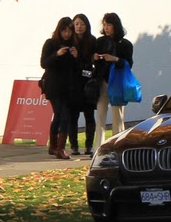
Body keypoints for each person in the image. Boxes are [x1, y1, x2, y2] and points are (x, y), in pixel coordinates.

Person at [90, 12, 134, 151]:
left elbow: (128, 63)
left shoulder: (125, 44)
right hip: (102, 80)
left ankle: (118, 145)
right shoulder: (100, 41)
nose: (106, 27)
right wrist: (95, 58)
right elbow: (93, 60)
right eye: (104, 24)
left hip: (117, 81)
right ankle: (99, 147)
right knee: (100, 115)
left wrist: (114, 59)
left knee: (118, 116)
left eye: (109, 24)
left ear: (116, 25)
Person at [38, 18, 78, 159]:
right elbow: (44, 63)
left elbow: (75, 68)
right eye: (64, 31)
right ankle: (59, 148)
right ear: (59, 30)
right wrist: (57, 54)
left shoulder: (73, 45)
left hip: (67, 87)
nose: (67, 34)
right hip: (53, 86)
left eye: (69, 31)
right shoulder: (51, 43)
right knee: (63, 115)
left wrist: (75, 57)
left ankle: (54, 146)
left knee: (60, 116)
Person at [67, 13, 97, 156]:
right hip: (73, 82)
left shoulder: (92, 41)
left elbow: (92, 61)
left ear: (87, 26)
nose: (79, 27)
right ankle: (74, 146)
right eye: (77, 24)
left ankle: (89, 145)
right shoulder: (68, 40)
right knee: (72, 116)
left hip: (87, 82)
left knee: (89, 115)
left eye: (82, 24)